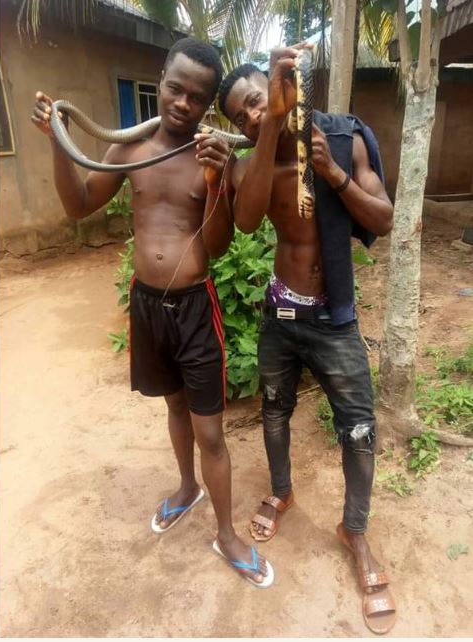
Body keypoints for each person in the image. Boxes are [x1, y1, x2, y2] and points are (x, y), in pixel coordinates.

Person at [31, 37, 273, 588]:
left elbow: (218, 245)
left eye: (197, 97)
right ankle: (186, 487)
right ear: (161, 79)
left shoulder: (214, 157)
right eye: (175, 88)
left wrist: (216, 182)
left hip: (195, 308)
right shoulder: (130, 150)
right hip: (147, 307)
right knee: (174, 406)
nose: (183, 103)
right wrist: (57, 142)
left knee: (210, 430)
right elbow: (78, 206)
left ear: (209, 106)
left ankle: (227, 534)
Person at [216, 45, 396, 630]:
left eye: (255, 101)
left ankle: (355, 531)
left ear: (284, 85)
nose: (250, 116)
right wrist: (268, 126)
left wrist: (335, 176)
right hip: (282, 316)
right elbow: (246, 221)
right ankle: (282, 491)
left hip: (334, 319)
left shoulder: (343, 138)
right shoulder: (251, 165)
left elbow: (383, 219)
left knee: (359, 430)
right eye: (240, 116)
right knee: (274, 409)